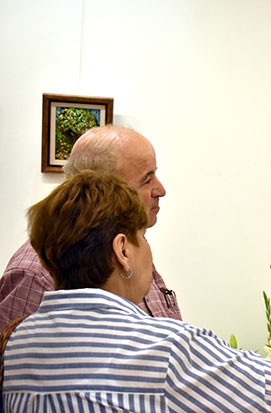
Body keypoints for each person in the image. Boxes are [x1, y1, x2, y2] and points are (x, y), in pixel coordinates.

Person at [1, 171, 271, 412]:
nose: (148, 249)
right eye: (143, 236)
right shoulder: (163, 348)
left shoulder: (19, 344)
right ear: (122, 251)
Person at [0, 125, 181, 330]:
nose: (160, 190)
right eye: (147, 180)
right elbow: (17, 349)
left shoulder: (132, 248)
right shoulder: (35, 272)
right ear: (102, 188)